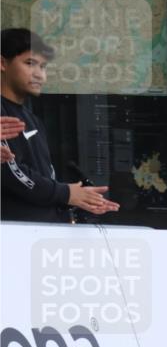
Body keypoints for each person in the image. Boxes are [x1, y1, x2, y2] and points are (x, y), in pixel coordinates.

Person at [1, 28, 118, 222]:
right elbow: (12, 173)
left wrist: (78, 199)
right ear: (2, 63)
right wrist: (66, 193)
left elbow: (45, 176)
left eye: (43, 67)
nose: (39, 75)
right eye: (30, 63)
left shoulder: (32, 118)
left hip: (39, 236)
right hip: (12, 237)